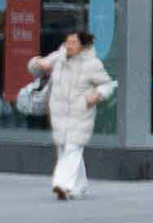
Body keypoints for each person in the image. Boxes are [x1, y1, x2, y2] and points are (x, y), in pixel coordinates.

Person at [20, 20, 116, 199]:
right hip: (59, 112)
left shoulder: (92, 64)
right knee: (65, 148)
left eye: (73, 43)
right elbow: (37, 69)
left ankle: (63, 185)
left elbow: (108, 84)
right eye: (67, 42)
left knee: (72, 147)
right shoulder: (59, 57)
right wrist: (37, 63)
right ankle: (80, 185)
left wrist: (97, 95)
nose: (69, 46)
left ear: (82, 46)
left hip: (81, 112)